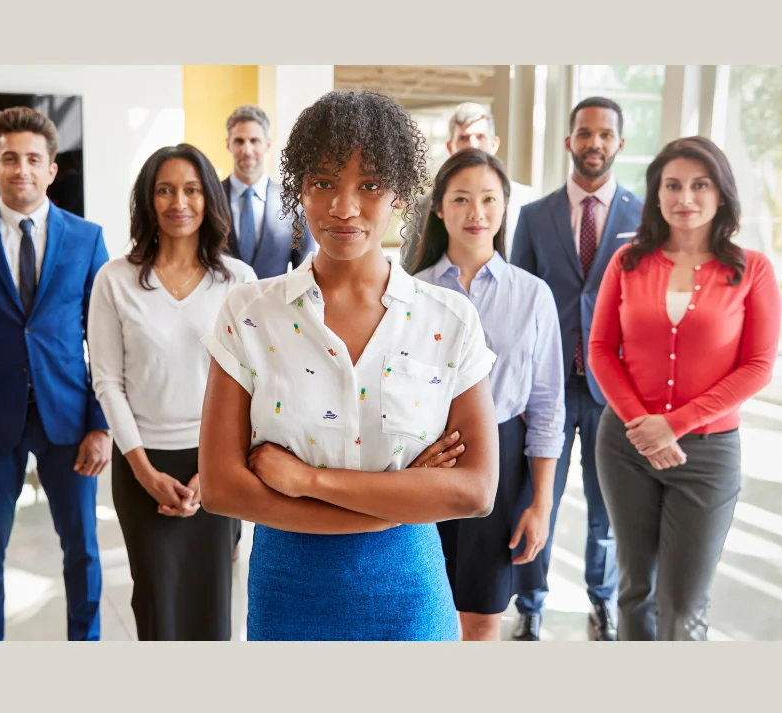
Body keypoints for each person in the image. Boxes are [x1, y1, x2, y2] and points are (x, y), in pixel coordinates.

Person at [199, 90, 500, 641]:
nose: (343, 207)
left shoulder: (449, 319)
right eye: (323, 182)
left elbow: (475, 491)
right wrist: (400, 498)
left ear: (402, 195)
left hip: (409, 595)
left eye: (368, 185)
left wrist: (307, 480)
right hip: (288, 592)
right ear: (298, 189)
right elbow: (221, 487)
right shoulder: (250, 312)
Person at [590, 137, 781, 641]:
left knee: (684, 607)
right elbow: (601, 349)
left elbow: (759, 366)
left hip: (709, 454)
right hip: (626, 446)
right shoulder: (627, 263)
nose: (685, 197)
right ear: (656, 194)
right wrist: (642, 425)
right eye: (672, 185)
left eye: (700, 185)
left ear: (721, 193)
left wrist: (672, 425)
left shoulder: (751, 269)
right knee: (634, 592)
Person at [0, 106, 111, 642]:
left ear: (52, 169)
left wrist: (101, 424)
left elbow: (104, 340)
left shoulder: (87, 238)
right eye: (9, 158)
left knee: (81, 548)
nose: (22, 170)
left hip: (69, 419)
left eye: (33, 159)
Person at [88, 145, 255, 640]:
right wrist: (143, 470)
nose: (178, 201)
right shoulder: (114, 280)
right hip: (143, 463)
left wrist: (215, 469)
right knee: (158, 605)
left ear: (209, 199)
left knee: (213, 606)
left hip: (218, 464)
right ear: (148, 200)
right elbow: (108, 382)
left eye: (191, 189)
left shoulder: (239, 281)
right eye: (164, 190)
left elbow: (251, 383)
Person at [411, 148, 565, 641]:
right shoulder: (411, 292)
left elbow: (547, 406)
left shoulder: (533, 294)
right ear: (438, 208)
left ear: (504, 207)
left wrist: (540, 504)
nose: (476, 214)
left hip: (503, 467)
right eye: (460, 199)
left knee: (482, 616)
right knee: (422, 609)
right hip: (425, 459)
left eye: (488, 199)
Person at [509, 96, 643, 641]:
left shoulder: (643, 217)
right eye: (584, 133)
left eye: (605, 134)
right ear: (569, 141)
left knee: (608, 507)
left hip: (616, 390)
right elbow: (518, 302)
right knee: (536, 497)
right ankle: (531, 602)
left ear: (619, 144)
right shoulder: (534, 216)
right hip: (550, 388)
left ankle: (603, 600)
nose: (594, 143)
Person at [402, 102, 535, 272]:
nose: (472, 145)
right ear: (450, 147)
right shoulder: (424, 205)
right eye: (464, 138)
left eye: (480, 137)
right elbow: (411, 266)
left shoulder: (525, 200)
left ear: (494, 144)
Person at [221, 104, 312, 277]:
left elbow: (305, 273)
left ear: (267, 144)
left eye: (254, 141)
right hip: (220, 303)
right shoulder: (210, 198)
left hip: (274, 303)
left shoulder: (293, 202)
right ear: (228, 145)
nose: (247, 151)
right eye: (239, 141)